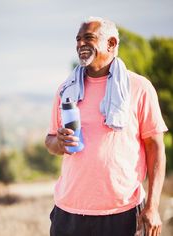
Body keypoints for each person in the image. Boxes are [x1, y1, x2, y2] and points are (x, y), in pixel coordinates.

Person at [45, 16, 168, 236]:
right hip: (69, 211)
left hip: (122, 212)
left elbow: (155, 148)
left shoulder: (139, 87)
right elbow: (50, 140)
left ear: (111, 43)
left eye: (88, 38)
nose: (81, 44)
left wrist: (152, 206)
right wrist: (59, 142)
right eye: (78, 39)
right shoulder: (66, 89)